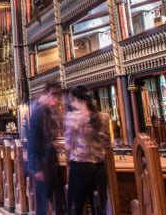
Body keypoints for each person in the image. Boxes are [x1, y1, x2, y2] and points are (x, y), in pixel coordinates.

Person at [64, 85, 111, 215]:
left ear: (75, 99)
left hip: (80, 167)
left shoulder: (73, 117)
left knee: (76, 207)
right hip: (99, 168)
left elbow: (68, 145)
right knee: (99, 207)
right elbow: (108, 142)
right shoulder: (104, 117)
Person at [28, 82, 65, 215]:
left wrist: (54, 143)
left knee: (57, 200)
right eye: (57, 97)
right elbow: (32, 141)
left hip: (51, 162)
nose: (58, 101)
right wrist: (37, 168)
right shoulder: (38, 111)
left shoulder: (47, 111)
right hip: (43, 165)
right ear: (49, 94)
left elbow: (46, 137)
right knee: (43, 203)